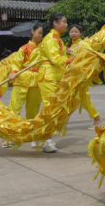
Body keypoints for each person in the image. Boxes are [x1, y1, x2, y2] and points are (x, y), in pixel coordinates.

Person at [37, 13, 74, 153]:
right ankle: (45, 140)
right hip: (48, 76)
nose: (66, 24)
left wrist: (67, 52)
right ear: (55, 23)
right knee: (49, 109)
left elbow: (59, 54)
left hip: (55, 76)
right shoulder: (51, 38)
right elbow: (55, 59)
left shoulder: (56, 39)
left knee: (53, 108)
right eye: (63, 22)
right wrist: (70, 60)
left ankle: (41, 136)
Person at [4, 22, 44, 148]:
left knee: (33, 110)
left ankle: (31, 135)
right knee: (14, 109)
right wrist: (14, 72)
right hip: (22, 80)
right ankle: (7, 136)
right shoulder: (24, 48)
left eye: (43, 34)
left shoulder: (45, 49)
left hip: (37, 81)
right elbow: (16, 63)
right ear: (32, 31)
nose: (41, 36)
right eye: (39, 33)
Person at [68, 24, 104, 129]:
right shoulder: (69, 46)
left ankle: (97, 118)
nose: (73, 33)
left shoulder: (83, 44)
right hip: (71, 76)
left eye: (76, 31)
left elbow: (91, 57)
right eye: (71, 31)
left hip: (80, 76)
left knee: (84, 99)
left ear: (81, 33)